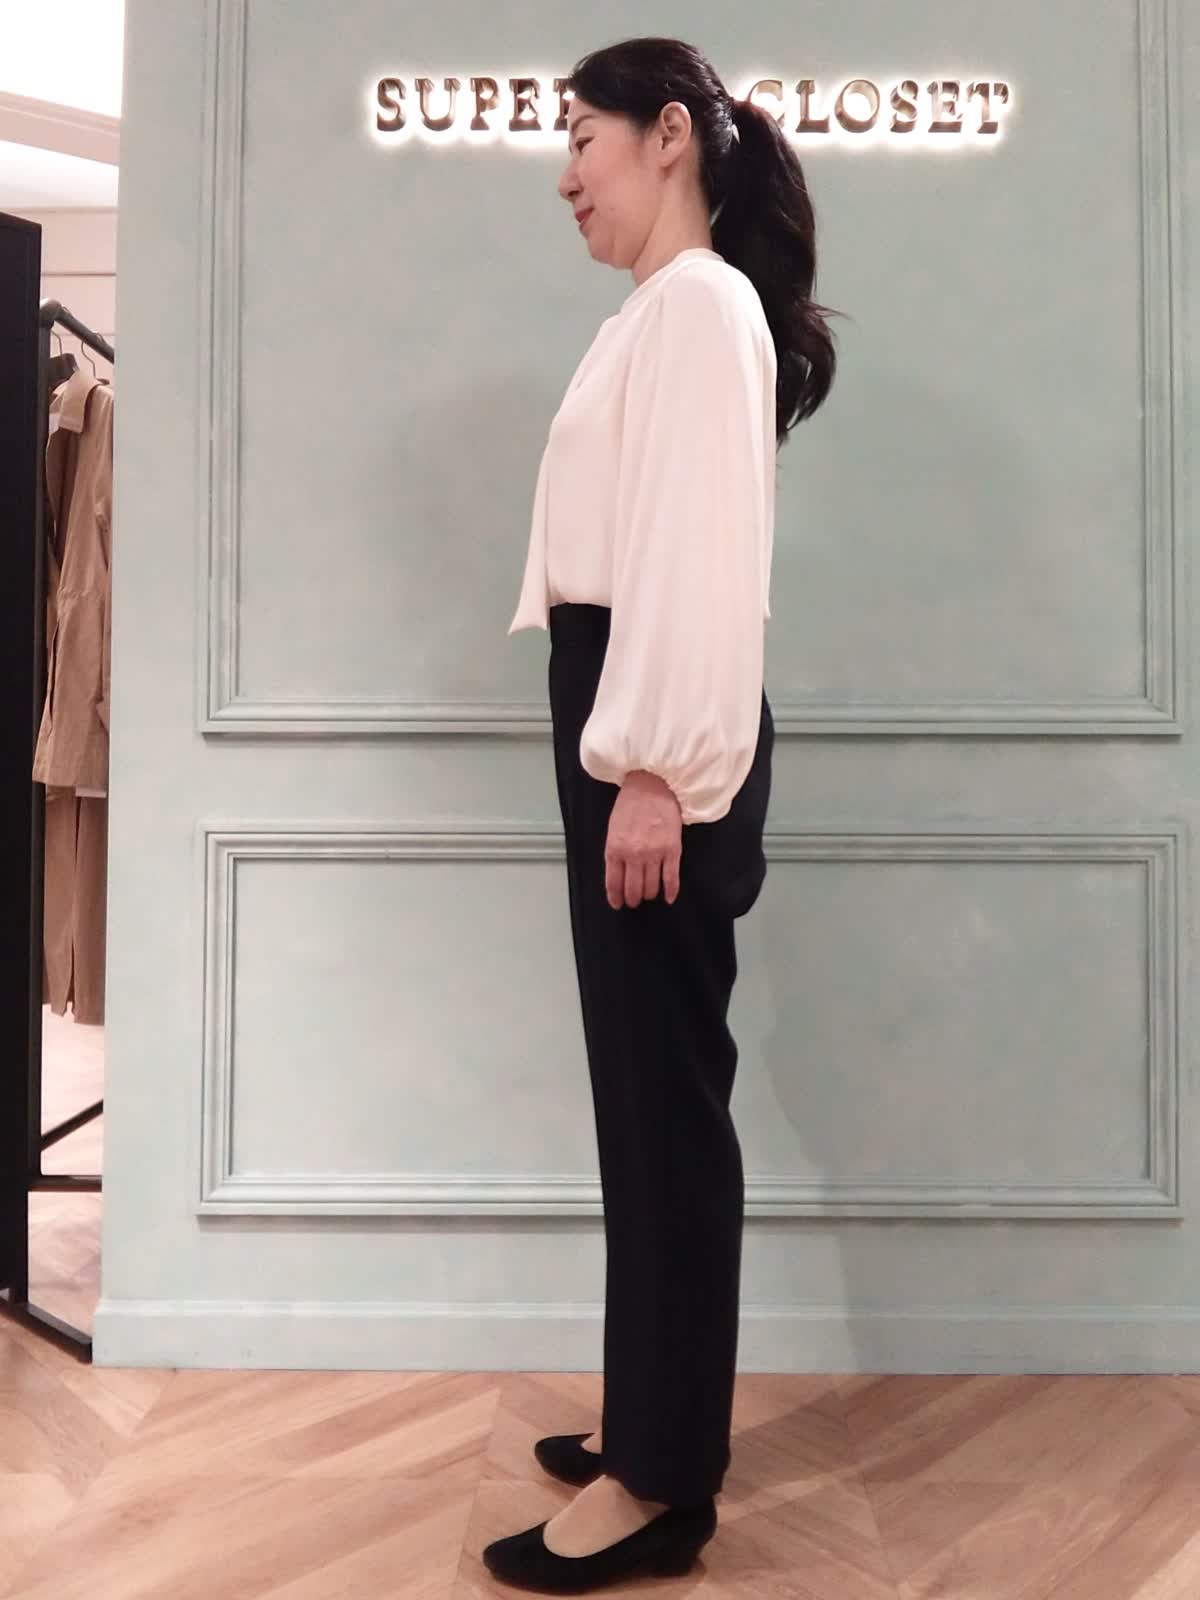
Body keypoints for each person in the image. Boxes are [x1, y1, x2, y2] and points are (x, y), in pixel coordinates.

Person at [483, 34, 838, 1594]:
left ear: (670, 136)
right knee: (643, 1103)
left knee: (667, 1110)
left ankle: (662, 1483)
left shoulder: (697, 305)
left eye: (583, 137)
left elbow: (698, 560)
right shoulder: (664, 311)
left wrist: (651, 771)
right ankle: (654, 1415)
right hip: (626, 715)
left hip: (650, 739)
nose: (565, 173)